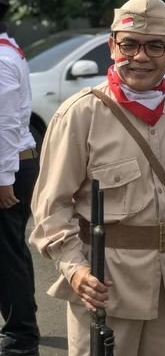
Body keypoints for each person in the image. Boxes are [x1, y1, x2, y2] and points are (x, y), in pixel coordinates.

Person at [29, 0, 165, 356]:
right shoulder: (81, 114)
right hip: (105, 284)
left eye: (154, 46)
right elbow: (51, 208)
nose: (140, 57)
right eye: (129, 44)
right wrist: (76, 271)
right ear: (112, 46)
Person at [0, 22, 40, 356]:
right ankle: (24, 323)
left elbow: (5, 124)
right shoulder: (8, 49)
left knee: (6, 255)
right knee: (11, 250)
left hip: (9, 168)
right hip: (16, 164)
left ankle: (20, 336)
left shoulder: (0, 58)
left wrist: (3, 179)